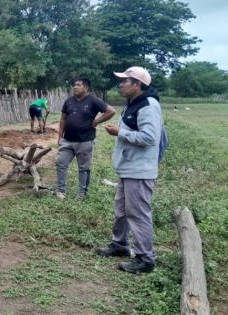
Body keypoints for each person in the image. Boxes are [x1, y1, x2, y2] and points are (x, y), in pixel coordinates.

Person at [97, 66, 163, 274]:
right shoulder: (133, 103)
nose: (121, 84)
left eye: (125, 81)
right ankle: (120, 244)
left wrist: (121, 132)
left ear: (137, 84)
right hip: (129, 168)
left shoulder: (148, 106)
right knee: (121, 210)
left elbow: (150, 138)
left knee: (138, 213)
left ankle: (145, 258)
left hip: (139, 169)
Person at [56, 78, 116, 199]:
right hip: (67, 140)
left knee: (83, 168)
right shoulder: (69, 101)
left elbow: (111, 111)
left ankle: (82, 193)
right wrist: (60, 135)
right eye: (74, 85)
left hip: (84, 140)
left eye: (78, 85)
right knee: (61, 163)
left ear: (86, 87)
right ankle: (61, 190)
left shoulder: (93, 100)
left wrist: (96, 122)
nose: (75, 87)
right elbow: (63, 118)